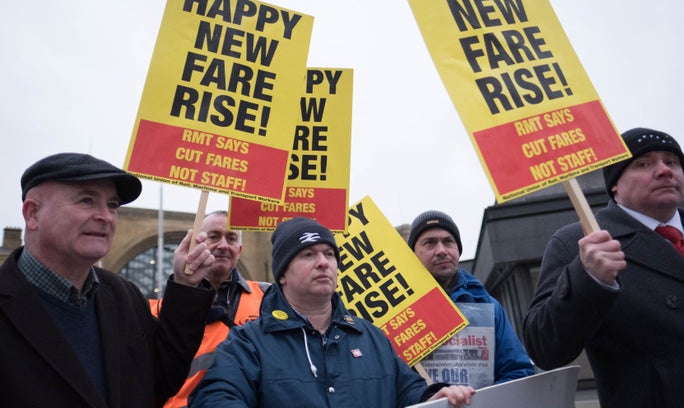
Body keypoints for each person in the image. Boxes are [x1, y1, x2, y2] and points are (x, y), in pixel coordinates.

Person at [0, 152, 217, 408]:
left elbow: (163, 378)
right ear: (33, 213)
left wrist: (185, 285)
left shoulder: (122, 294)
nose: (106, 216)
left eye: (112, 205)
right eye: (87, 200)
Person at [522, 127, 684, 407]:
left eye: (672, 162)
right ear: (614, 184)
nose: (664, 171)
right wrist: (588, 279)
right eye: (643, 163)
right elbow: (544, 347)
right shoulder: (577, 242)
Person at [190, 217, 475, 407]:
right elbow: (216, 398)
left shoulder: (372, 337)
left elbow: (408, 392)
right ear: (282, 275)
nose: (323, 263)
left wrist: (434, 397)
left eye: (329, 254)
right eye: (308, 255)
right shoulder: (247, 343)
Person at [150, 210, 269, 408]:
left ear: (239, 250)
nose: (223, 245)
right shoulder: (162, 310)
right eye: (214, 236)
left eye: (231, 238)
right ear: (196, 244)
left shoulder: (267, 297)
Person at [407, 210, 535, 384]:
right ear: (412, 254)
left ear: (458, 249)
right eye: (430, 243)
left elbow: (518, 372)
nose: (441, 251)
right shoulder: (401, 313)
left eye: (448, 242)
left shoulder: (489, 307)